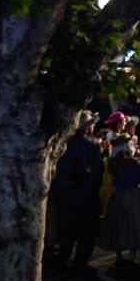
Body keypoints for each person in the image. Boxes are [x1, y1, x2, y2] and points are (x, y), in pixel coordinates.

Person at [49, 114, 105, 271]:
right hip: (85, 194)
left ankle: (63, 258)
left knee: (67, 229)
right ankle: (80, 263)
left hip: (64, 193)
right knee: (86, 231)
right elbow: (96, 172)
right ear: (87, 128)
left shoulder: (62, 144)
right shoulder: (92, 145)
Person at [99, 136, 140, 267]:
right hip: (133, 195)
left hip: (117, 194)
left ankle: (119, 256)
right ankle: (132, 256)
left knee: (118, 224)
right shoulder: (133, 162)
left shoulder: (112, 162)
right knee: (134, 224)